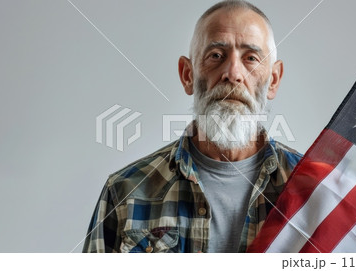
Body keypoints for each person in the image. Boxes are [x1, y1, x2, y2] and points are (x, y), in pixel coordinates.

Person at [83, 0, 302, 253]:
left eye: (251, 58)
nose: (233, 73)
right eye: (216, 56)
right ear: (188, 75)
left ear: (273, 81)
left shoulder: (316, 191)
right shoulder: (125, 191)